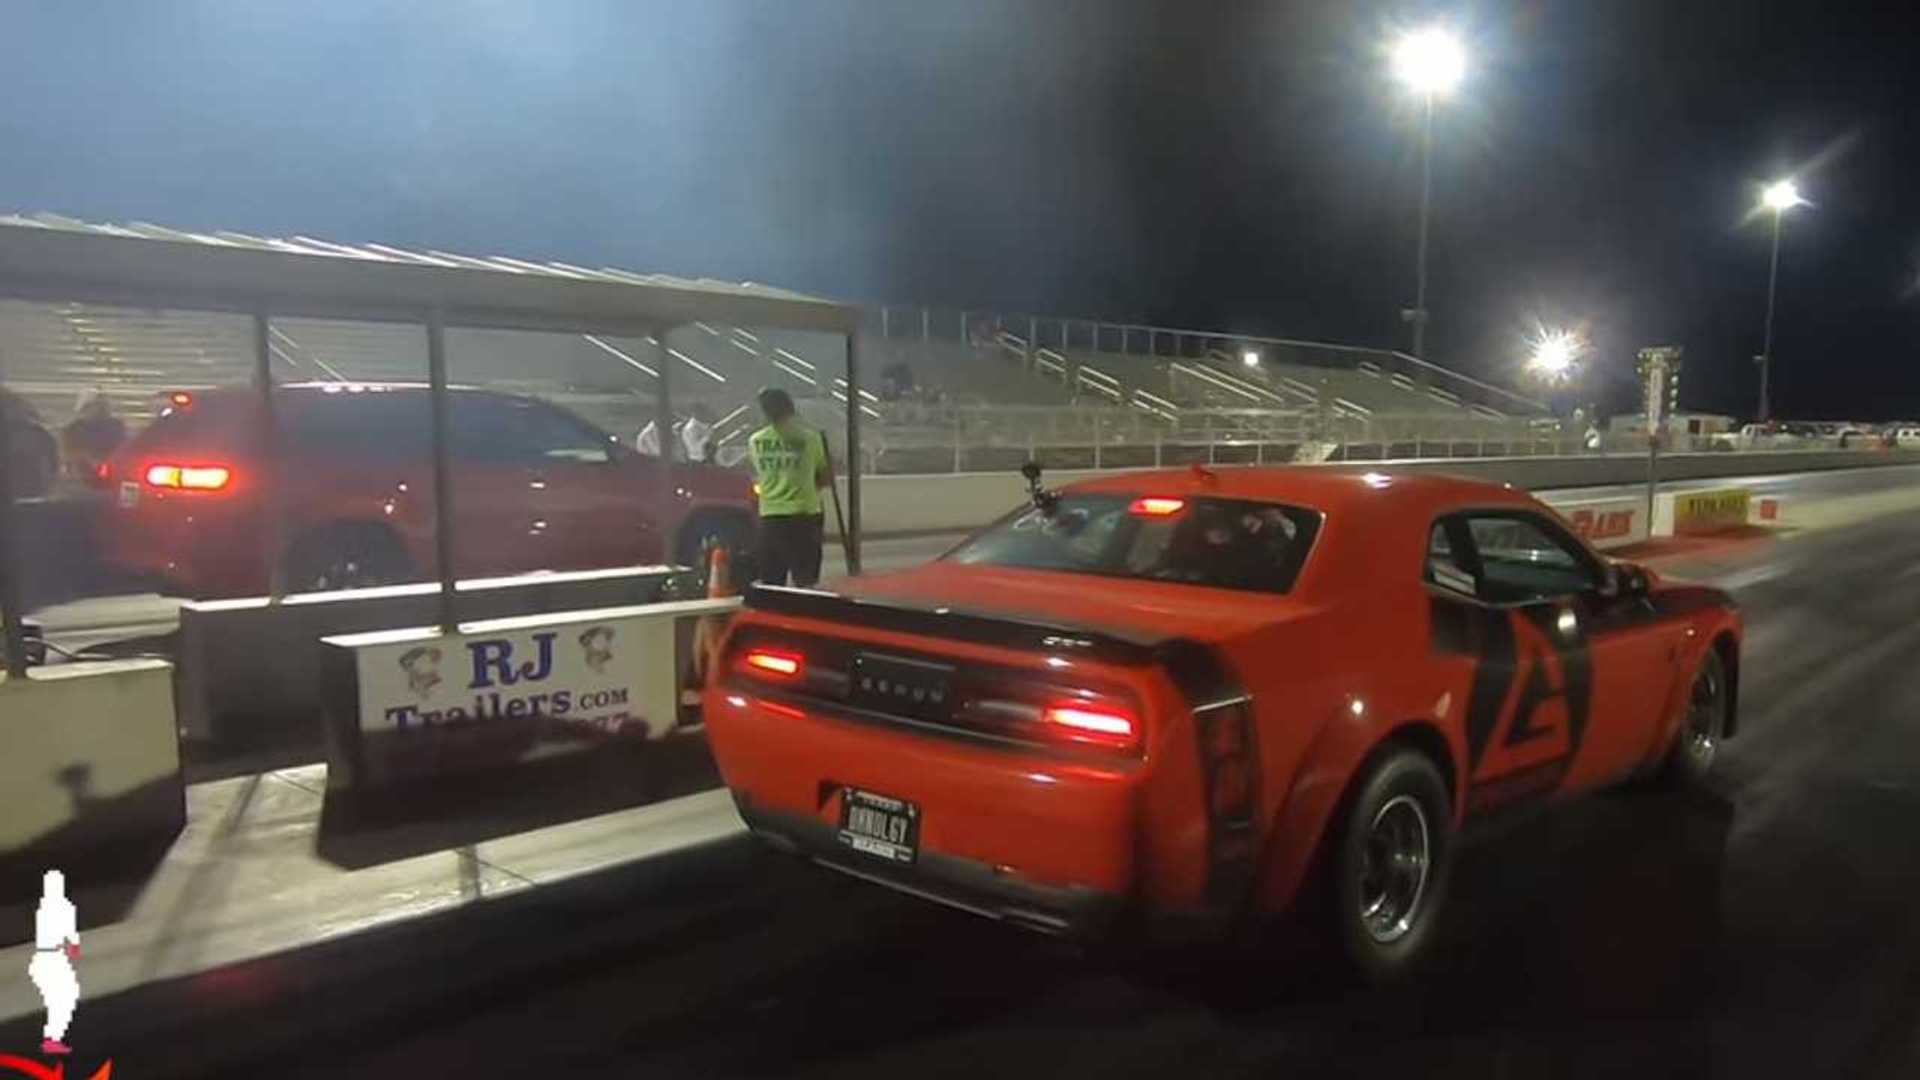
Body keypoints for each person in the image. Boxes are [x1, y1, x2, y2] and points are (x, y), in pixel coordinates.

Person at [747, 388, 831, 587]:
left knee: (772, 582)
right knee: (806, 581)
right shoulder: (811, 438)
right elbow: (825, 477)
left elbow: (757, 474)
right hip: (805, 514)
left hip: (770, 516)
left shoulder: (755, 441)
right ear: (790, 408)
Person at [27, 869, 80, 1056]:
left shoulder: (44, 906)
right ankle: (52, 1039)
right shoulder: (63, 906)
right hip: (53, 959)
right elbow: (70, 931)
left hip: (42, 957)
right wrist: (74, 945)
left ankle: (52, 1037)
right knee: (65, 998)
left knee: (60, 998)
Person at [61, 390, 126, 483]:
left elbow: (124, 449)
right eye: (97, 406)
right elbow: (70, 455)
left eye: (104, 406)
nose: (102, 410)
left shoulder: (117, 427)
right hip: (82, 479)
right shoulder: (74, 430)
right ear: (85, 408)